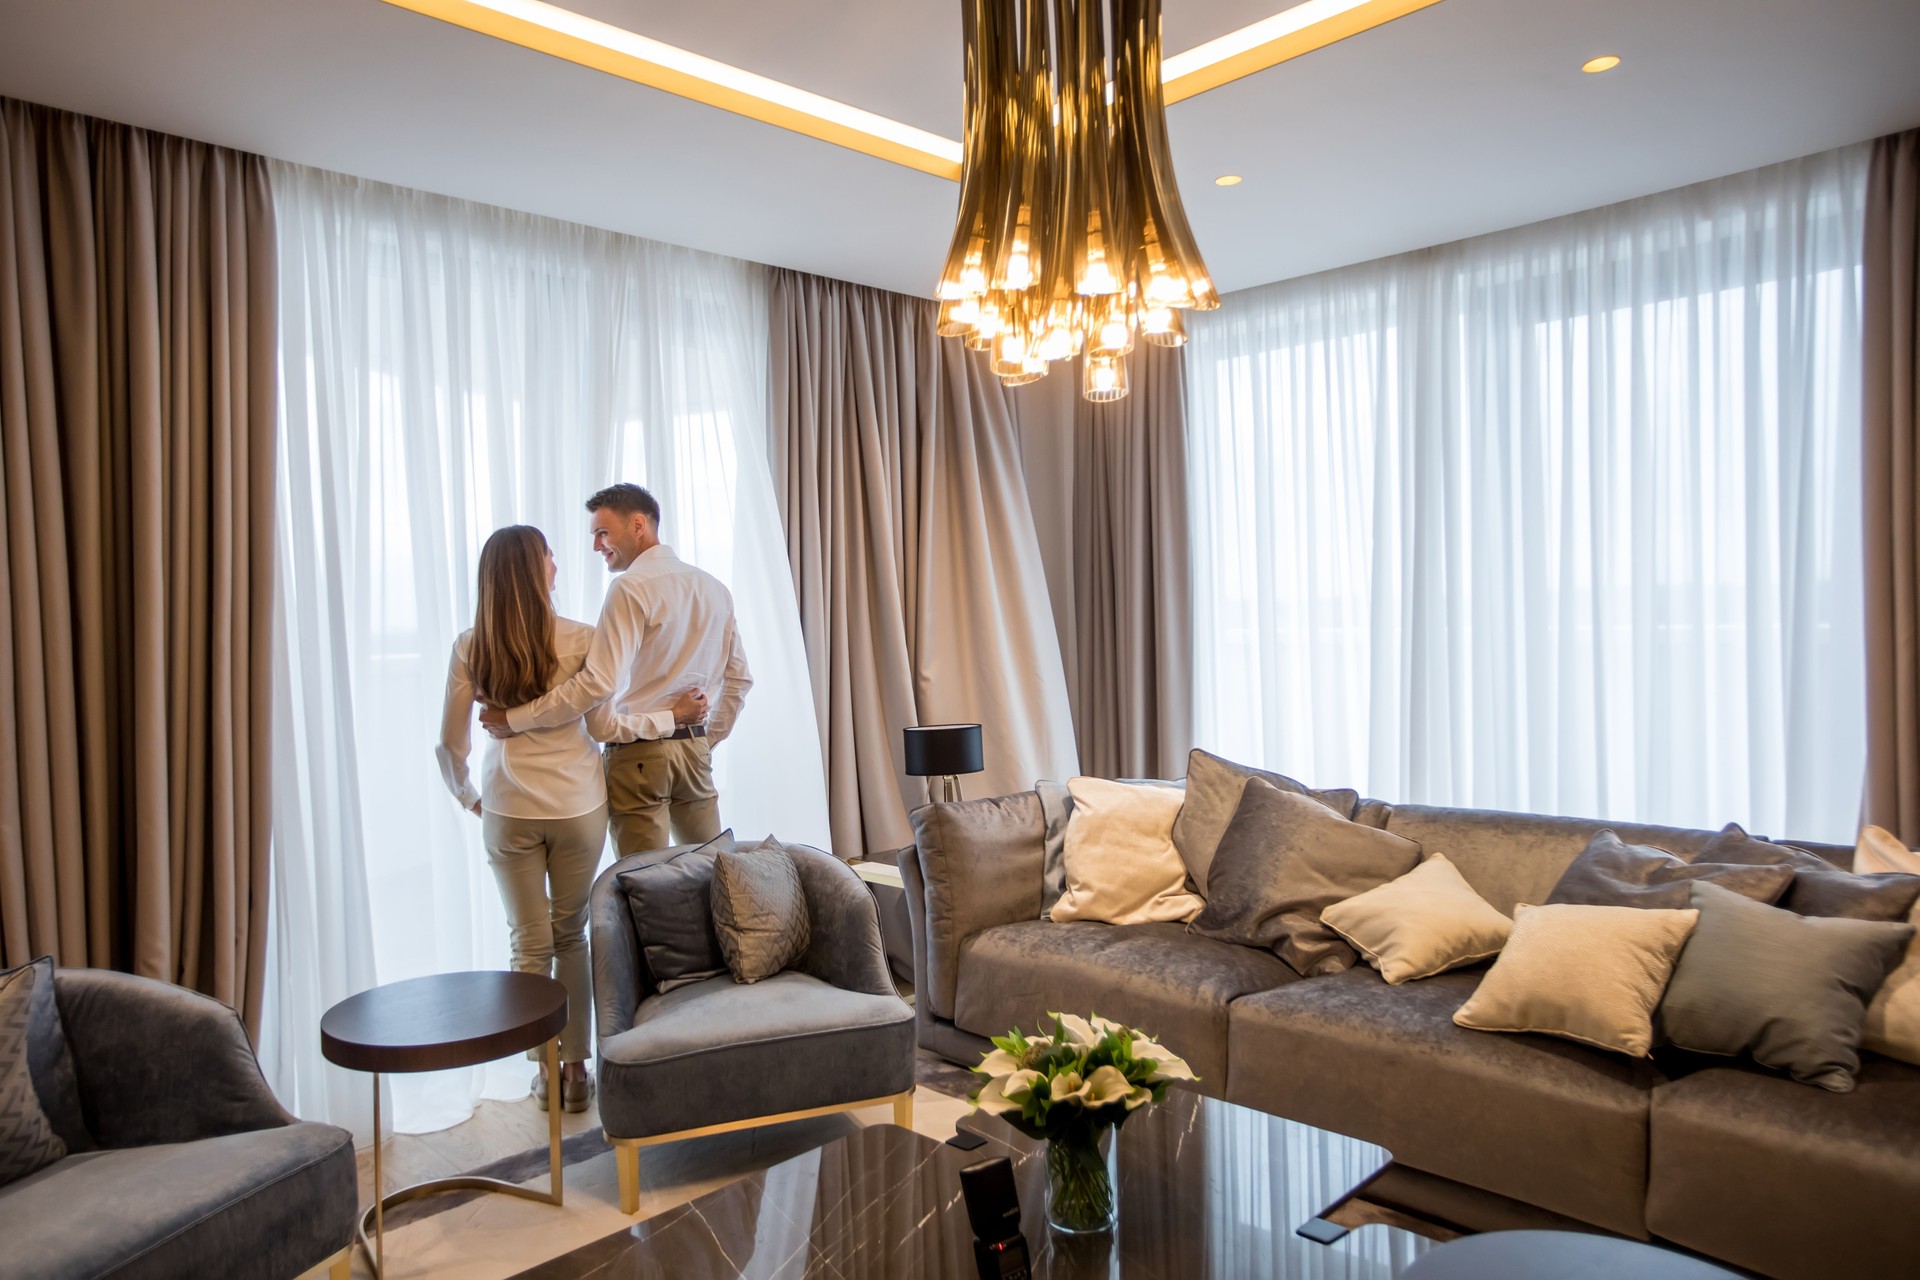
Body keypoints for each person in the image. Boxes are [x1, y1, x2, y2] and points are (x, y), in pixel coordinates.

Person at [435, 525, 700, 1112]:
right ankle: (579, 1071)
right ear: (537, 572)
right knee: (569, 937)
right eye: (550, 555)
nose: (558, 563)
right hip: (579, 808)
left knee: (528, 945)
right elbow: (605, 728)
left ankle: (547, 1075)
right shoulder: (582, 639)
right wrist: (669, 717)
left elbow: (450, 746)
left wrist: (469, 798)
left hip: (508, 809)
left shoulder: (469, 645)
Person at [480, 483, 752, 857]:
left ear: (638, 525)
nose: (596, 546)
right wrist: (704, 740)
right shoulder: (714, 588)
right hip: (694, 752)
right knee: (712, 873)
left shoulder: (630, 588)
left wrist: (515, 719)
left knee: (644, 885)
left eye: (602, 533)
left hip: (636, 757)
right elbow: (739, 679)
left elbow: (597, 684)